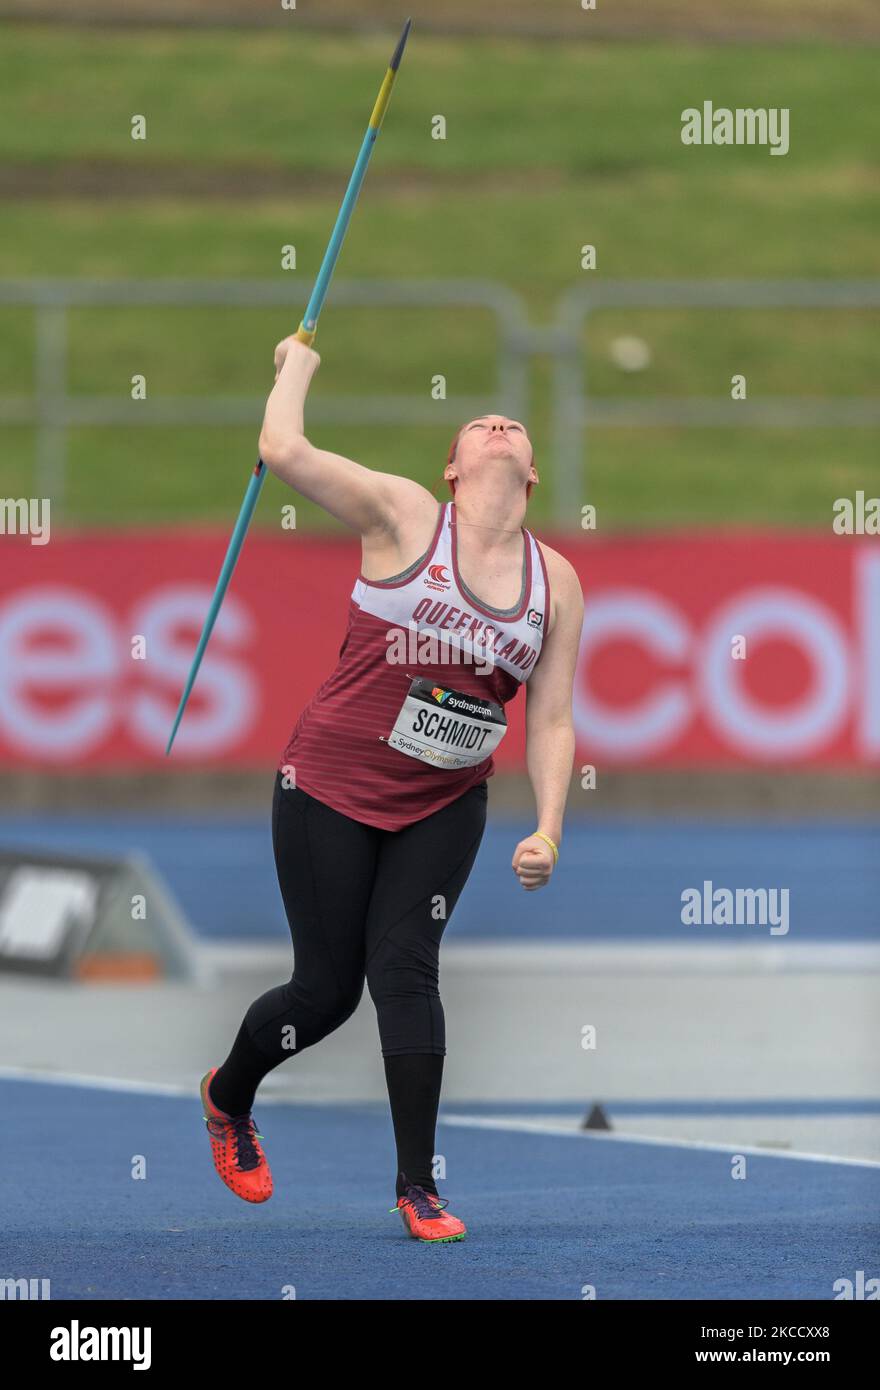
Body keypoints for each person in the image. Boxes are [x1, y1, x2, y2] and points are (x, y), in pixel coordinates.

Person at [200, 336, 584, 1242]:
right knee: (326, 993)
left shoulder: (556, 582)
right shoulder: (407, 518)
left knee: (406, 973)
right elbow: (284, 452)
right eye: (480, 424)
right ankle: (228, 1094)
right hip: (328, 785)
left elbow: (553, 718)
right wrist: (296, 364)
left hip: (446, 801)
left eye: (514, 425)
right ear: (452, 469)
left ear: (532, 476)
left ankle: (419, 1187)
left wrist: (551, 830)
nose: (499, 424)